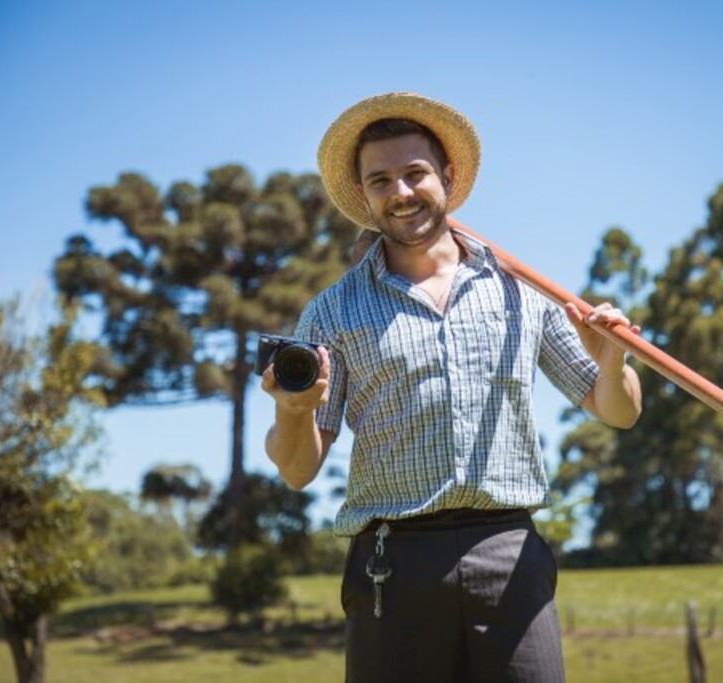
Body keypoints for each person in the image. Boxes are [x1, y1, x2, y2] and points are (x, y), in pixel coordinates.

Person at [262, 92, 642, 683]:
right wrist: (293, 411)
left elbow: (617, 411)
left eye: (414, 173)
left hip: (509, 553)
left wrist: (613, 358)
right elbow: (297, 470)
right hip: (393, 563)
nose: (401, 192)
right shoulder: (331, 314)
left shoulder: (521, 290)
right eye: (380, 179)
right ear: (364, 195)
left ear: (448, 176)